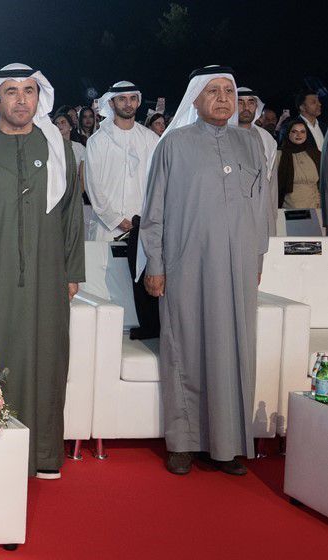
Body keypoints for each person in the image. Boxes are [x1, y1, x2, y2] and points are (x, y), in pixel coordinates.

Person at [0, 63, 84, 479]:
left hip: (48, 272)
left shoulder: (59, 149)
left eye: (29, 91)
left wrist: (72, 271)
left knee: (49, 358)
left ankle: (44, 454)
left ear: (40, 97)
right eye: (11, 91)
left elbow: (72, 216)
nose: (21, 100)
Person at [139, 65, 272, 477]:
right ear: (195, 99)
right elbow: (154, 210)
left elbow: (262, 208)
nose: (223, 99)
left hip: (239, 269)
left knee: (234, 351)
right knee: (187, 349)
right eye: (213, 91)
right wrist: (155, 265)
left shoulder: (250, 143)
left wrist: (257, 260)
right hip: (187, 266)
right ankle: (183, 443)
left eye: (228, 91)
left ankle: (226, 446)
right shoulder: (174, 144)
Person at [84, 81, 160, 339]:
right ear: (112, 103)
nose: (128, 103)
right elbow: (93, 186)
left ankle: (141, 332)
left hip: (142, 228)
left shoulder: (151, 139)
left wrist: (141, 222)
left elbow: (156, 184)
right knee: (106, 284)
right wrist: (117, 219)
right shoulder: (97, 141)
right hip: (107, 227)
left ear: (138, 102)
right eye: (122, 99)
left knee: (137, 282)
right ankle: (105, 336)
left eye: (132, 98)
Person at [276, 118, 322, 209]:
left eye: (302, 132)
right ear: (288, 133)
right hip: (289, 208)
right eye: (294, 131)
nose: (299, 135)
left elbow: (323, 183)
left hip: (315, 206)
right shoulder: (279, 155)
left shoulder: (315, 154)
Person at [53, 110, 86, 187]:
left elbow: (82, 177)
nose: (59, 125)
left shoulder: (79, 147)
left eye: (63, 122)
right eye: (56, 123)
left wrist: (79, 192)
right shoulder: (50, 147)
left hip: (75, 189)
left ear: (70, 127)